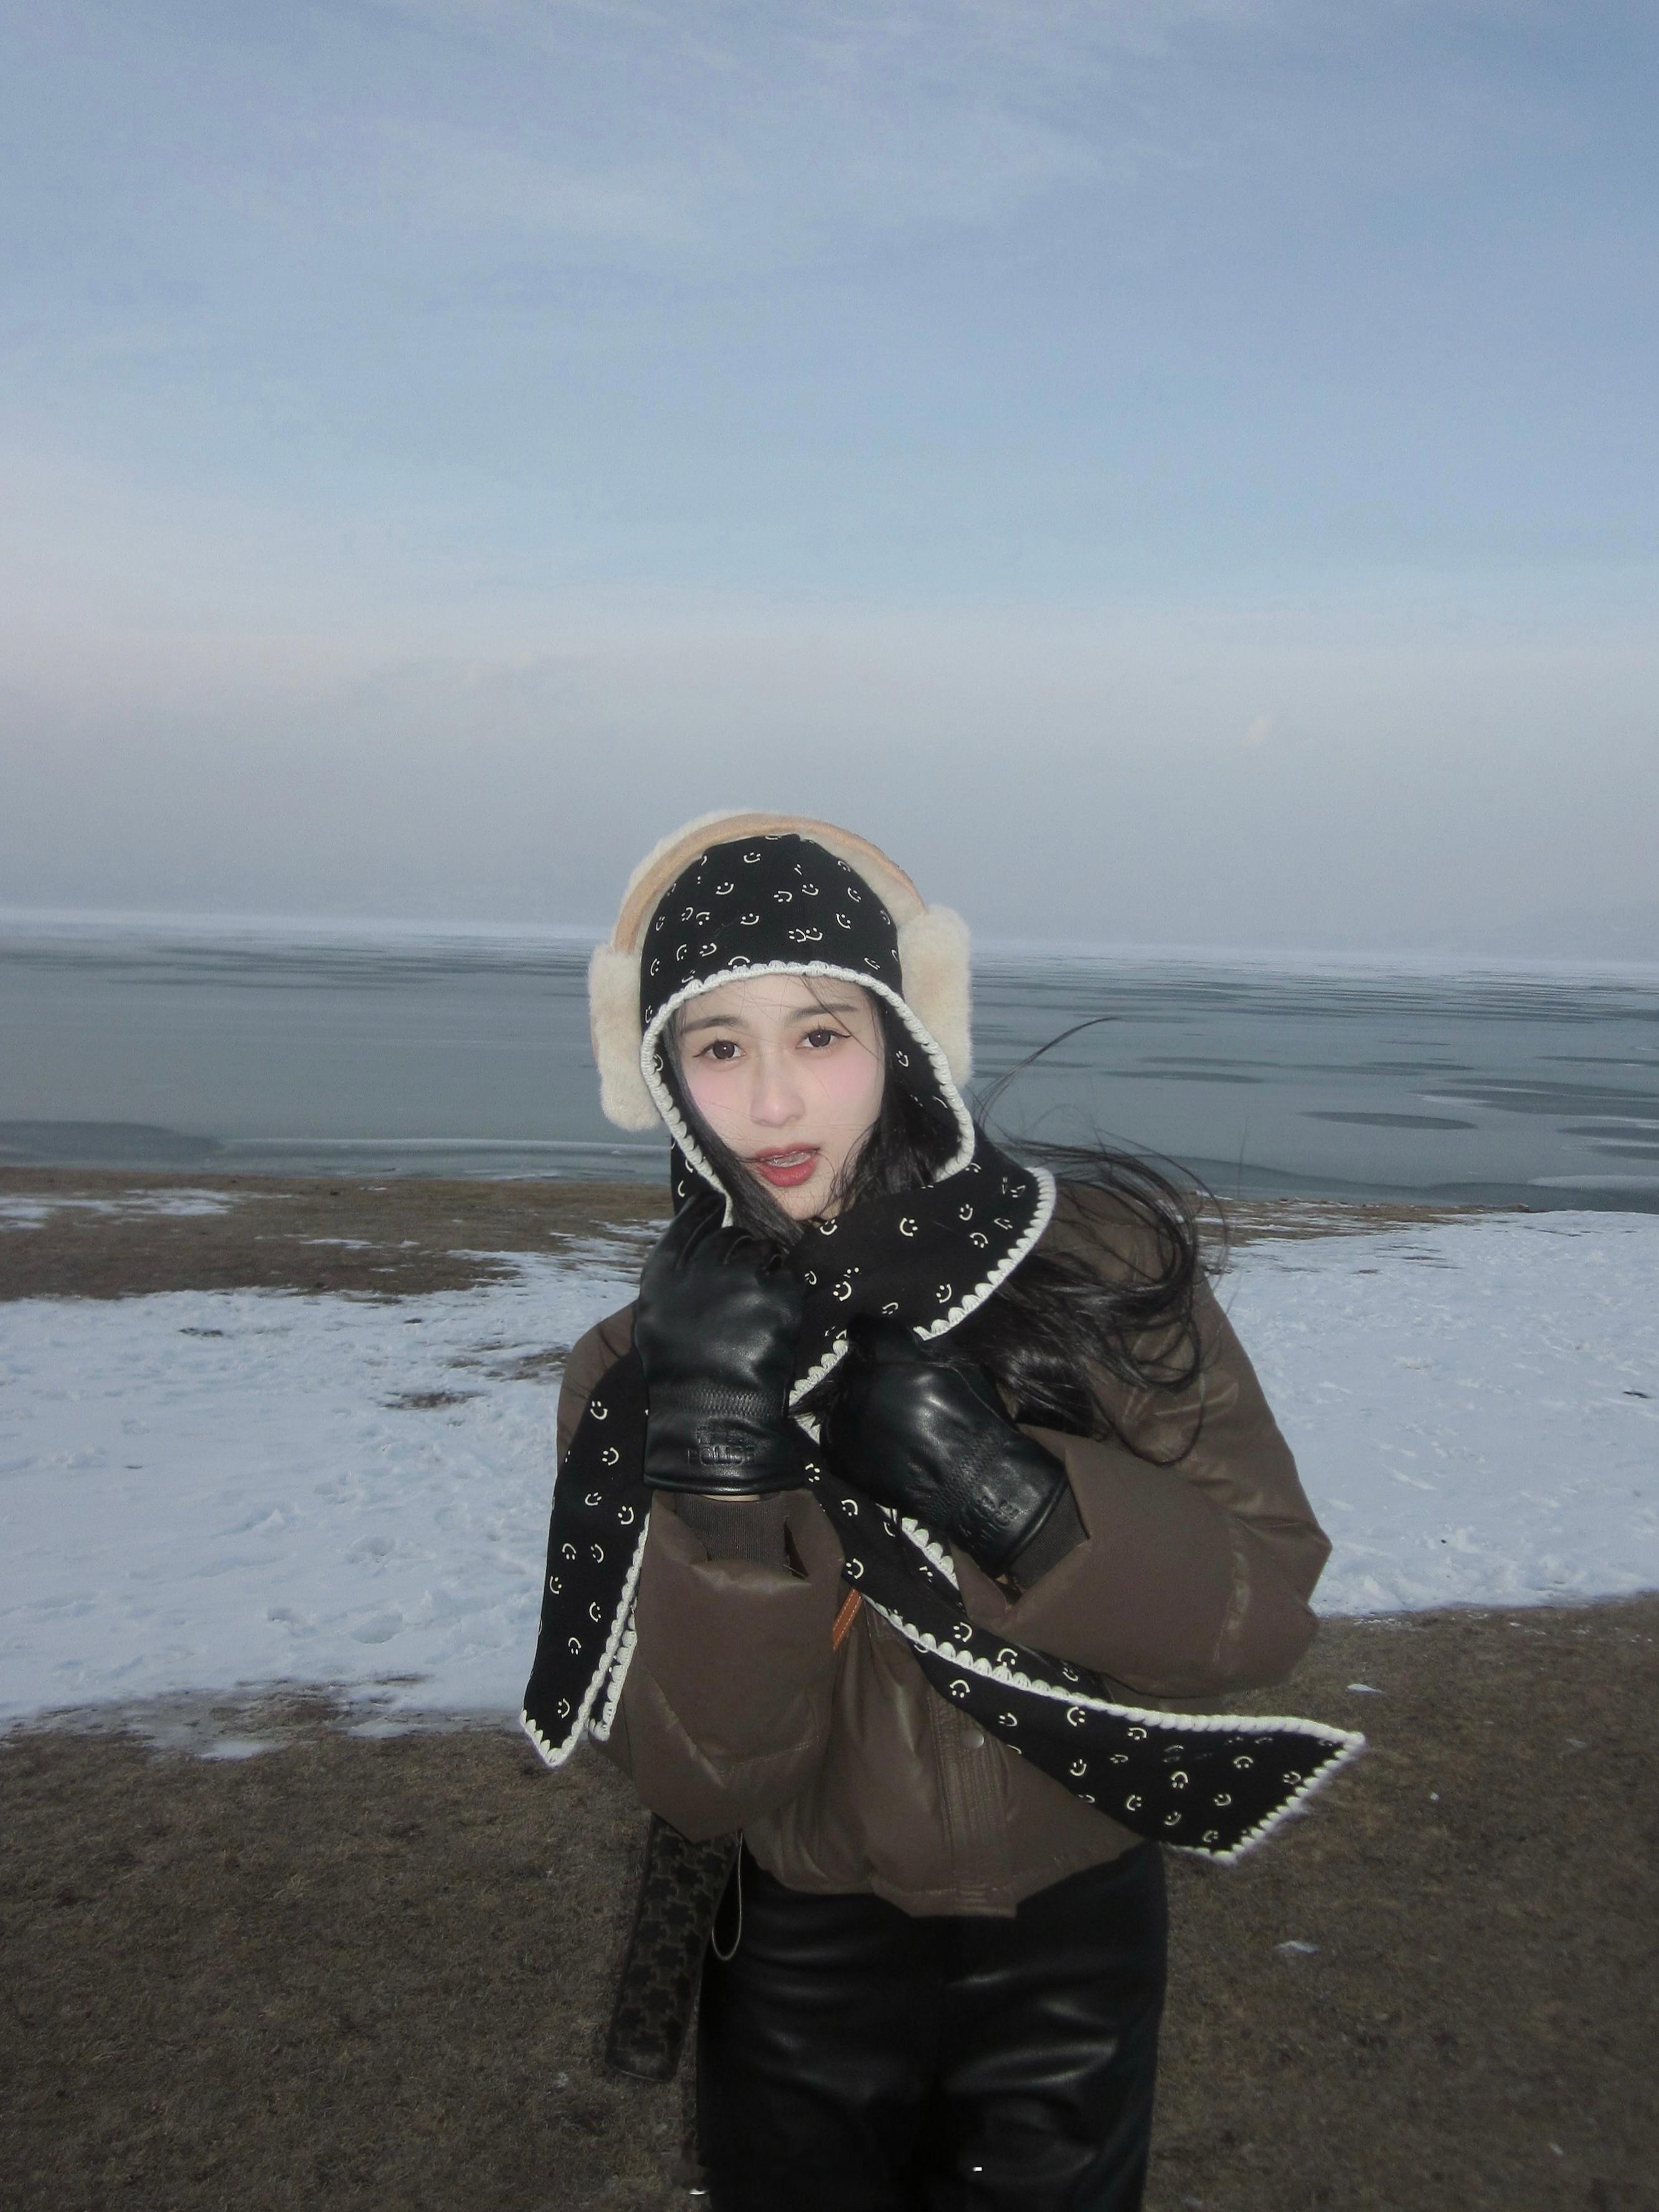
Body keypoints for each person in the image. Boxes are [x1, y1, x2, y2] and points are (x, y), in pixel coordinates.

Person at [522, 812, 1354, 2212]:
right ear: (660, 1074)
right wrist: (726, 1492)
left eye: (820, 1034)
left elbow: (1262, 1616)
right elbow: (699, 1783)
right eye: (718, 1047)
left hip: (1076, 1935)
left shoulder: (1095, 1264)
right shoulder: (632, 1375)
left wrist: (1015, 1500)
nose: (772, 1103)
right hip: (796, 1954)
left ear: (904, 1035)